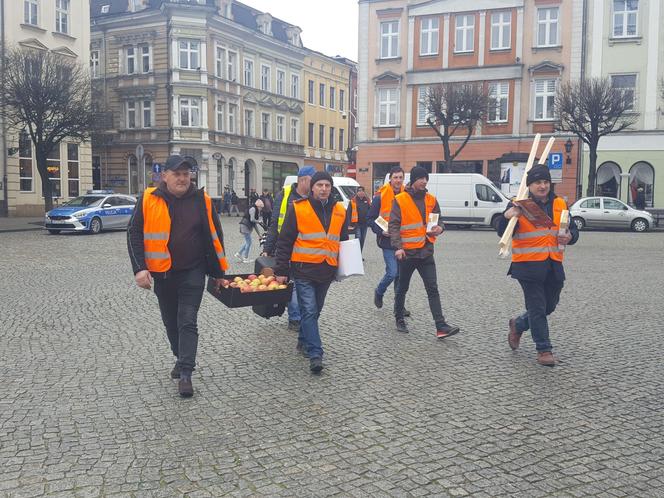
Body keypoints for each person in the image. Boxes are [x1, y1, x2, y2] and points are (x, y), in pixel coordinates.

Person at [127, 155, 228, 398]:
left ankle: (186, 373)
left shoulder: (202, 200)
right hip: (163, 273)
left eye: (186, 174)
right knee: (171, 323)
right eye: (177, 174)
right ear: (165, 176)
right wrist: (140, 268)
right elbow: (134, 234)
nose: (183, 178)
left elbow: (216, 237)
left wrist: (218, 273)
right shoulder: (148, 199)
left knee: (187, 320)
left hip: (193, 271)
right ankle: (179, 356)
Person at [497, 164, 579, 367]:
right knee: (537, 307)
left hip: (554, 264)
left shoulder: (560, 203)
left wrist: (570, 236)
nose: (542, 186)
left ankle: (519, 324)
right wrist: (507, 216)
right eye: (537, 183)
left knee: (549, 305)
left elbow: (574, 230)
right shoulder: (519, 205)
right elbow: (501, 231)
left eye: (545, 182)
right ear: (530, 185)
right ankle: (544, 349)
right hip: (527, 266)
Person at [275, 171, 349, 374]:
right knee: (308, 310)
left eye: (327, 185)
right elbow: (285, 241)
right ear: (312, 187)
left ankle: (302, 340)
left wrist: (345, 267)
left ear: (331, 188)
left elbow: (343, 242)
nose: (324, 189)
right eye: (320, 185)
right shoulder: (298, 208)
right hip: (303, 269)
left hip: (327, 269)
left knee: (315, 310)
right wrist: (281, 269)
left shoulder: (340, 211)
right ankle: (315, 353)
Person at [389, 166, 460, 338]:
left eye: (426, 178)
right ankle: (399, 318)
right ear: (413, 180)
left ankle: (441, 326)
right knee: (402, 288)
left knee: (432, 288)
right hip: (407, 253)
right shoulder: (400, 199)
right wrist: (398, 247)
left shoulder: (431, 199)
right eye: (421, 178)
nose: (424, 181)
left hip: (426, 251)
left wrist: (440, 228)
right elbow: (394, 225)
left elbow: (440, 220)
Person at [263, 166, 315, 332]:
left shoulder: (313, 198)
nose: (316, 184)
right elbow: (274, 223)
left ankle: (301, 314)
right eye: (312, 180)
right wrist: (267, 248)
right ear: (303, 180)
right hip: (285, 246)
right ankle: (295, 317)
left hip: (307, 249)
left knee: (303, 283)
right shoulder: (284, 195)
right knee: (289, 280)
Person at [367, 166, 410, 316]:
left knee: (401, 276)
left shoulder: (407, 195)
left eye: (400, 177)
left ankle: (399, 307)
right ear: (390, 179)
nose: (398, 180)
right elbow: (370, 218)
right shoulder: (380, 196)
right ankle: (379, 291)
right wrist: (381, 231)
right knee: (392, 273)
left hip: (404, 241)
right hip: (387, 241)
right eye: (395, 177)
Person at [235, 199, 264, 263]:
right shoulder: (253, 209)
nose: (261, 209)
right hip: (245, 226)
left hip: (246, 226)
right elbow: (252, 219)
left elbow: (254, 225)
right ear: (258, 206)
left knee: (247, 242)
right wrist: (259, 221)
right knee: (249, 242)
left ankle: (239, 253)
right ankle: (245, 257)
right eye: (261, 207)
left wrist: (259, 234)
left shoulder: (256, 210)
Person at [346, 186, 371, 252]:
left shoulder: (367, 200)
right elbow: (348, 212)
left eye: (362, 191)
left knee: (362, 240)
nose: (361, 192)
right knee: (358, 239)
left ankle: (359, 255)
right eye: (359, 191)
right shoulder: (353, 201)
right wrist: (349, 224)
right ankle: (356, 254)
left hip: (365, 224)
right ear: (357, 192)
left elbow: (370, 210)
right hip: (356, 224)